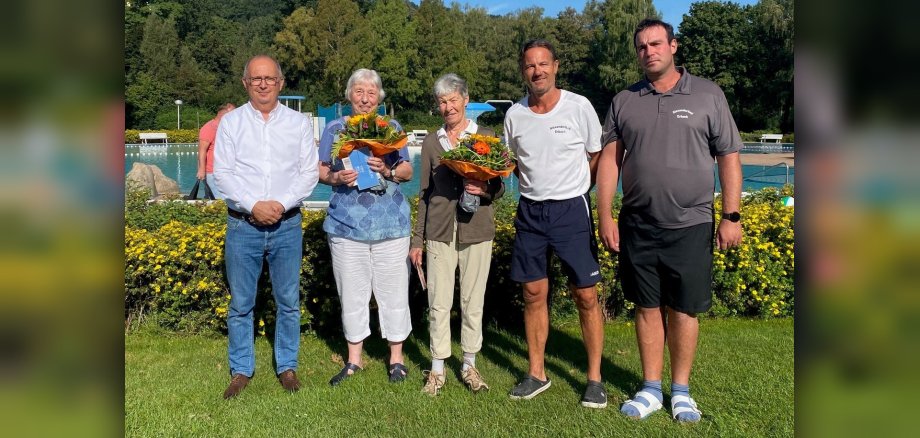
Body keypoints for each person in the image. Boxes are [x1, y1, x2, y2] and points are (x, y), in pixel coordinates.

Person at [595, 18, 743, 423]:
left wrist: (731, 216)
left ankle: (681, 391)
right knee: (646, 306)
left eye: (656, 43)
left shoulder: (709, 95)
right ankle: (650, 388)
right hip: (638, 223)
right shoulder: (625, 100)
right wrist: (605, 214)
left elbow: (728, 156)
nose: (649, 52)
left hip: (691, 223)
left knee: (683, 309)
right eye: (642, 47)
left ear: (673, 46)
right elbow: (610, 161)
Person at [503, 39, 607, 408]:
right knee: (533, 293)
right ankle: (537, 373)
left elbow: (596, 154)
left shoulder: (579, 106)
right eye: (530, 65)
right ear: (523, 71)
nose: (538, 71)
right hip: (530, 212)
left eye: (543, 64)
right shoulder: (514, 114)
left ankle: (594, 379)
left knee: (586, 295)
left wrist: (579, 188)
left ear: (556, 66)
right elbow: (512, 161)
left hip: (571, 210)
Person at [213, 55, 319, 399]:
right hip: (243, 225)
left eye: (269, 78)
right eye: (256, 78)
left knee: (288, 301)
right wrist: (253, 205)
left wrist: (280, 204)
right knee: (241, 303)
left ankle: (287, 366)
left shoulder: (298, 123)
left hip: (287, 225)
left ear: (280, 83)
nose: (263, 84)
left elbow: (309, 172)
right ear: (245, 83)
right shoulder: (231, 124)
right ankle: (241, 369)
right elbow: (222, 174)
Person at [409, 73, 505, 396]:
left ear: (465, 100)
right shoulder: (432, 142)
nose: (448, 106)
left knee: (472, 301)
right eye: (442, 101)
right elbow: (425, 193)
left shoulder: (486, 137)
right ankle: (437, 369)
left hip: (477, 229)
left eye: (453, 100)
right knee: (438, 302)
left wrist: (484, 188)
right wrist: (417, 240)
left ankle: (469, 365)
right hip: (439, 230)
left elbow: (500, 186)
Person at [317, 68, 414, 386]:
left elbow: (407, 171)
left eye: (371, 93)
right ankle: (354, 360)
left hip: (391, 226)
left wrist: (387, 169)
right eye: (359, 91)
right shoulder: (335, 128)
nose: (365, 98)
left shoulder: (392, 128)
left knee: (394, 292)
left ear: (379, 98)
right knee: (352, 293)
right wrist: (336, 177)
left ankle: (396, 358)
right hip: (346, 226)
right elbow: (321, 170)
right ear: (349, 95)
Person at [197, 102, 235, 199]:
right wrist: (201, 170)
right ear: (225, 113)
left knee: (220, 200)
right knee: (220, 200)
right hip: (212, 172)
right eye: (233, 113)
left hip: (224, 171)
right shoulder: (209, 127)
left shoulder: (225, 127)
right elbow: (202, 150)